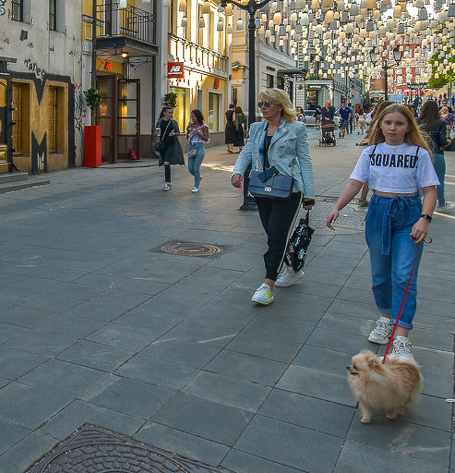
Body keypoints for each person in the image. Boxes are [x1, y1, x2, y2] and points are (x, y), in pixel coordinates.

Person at [326, 104, 439, 365]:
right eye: (387, 123)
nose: (392, 128)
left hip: (408, 213)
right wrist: (337, 207)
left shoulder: (419, 154)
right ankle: (386, 317)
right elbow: (355, 183)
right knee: (379, 274)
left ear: (408, 126)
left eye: (399, 124)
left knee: (403, 274)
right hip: (378, 212)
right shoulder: (371, 152)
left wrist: (425, 218)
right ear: (380, 124)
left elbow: (430, 191)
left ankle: (402, 334)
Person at [230, 89, 315, 305]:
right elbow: (247, 153)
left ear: (279, 106)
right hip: (262, 188)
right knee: (273, 235)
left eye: (267, 104)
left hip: (289, 189)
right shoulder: (257, 128)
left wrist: (310, 194)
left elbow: (304, 161)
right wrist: (237, 172)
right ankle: (292, 268)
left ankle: (267, 285)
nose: (263, 108)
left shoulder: (296, 128)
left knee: (277, 235)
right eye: (261, 104)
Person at [418, 101, 455, 212]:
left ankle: (417, 202)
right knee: (439, 180)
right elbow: (442, 141)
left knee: (418, 179)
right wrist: (449, 142)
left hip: (420, 154)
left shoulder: (417, 122)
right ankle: (441, 204)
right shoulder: (440, 123)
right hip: (436, 153)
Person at [155, 106, 184, 191]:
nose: (171, 114)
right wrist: (156, 132)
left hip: (171, 144)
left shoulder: (173, 122)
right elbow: (156, 132)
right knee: (165, 163)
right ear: (164, 113)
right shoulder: (159, 122)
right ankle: (169, 182)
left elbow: (178, 132)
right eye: (169, 112)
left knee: (166, 162)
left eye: (172, 113)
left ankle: (167, 182)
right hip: (163, 145)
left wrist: (174, 134)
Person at [186, 109, 210, 193]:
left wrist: (199, 133)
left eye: (194, 116)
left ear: (198, 116)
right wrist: (188, 131)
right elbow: (187, 138)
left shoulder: (204, 126)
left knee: (196, 168)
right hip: (192, 147)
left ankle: (196, 186)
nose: (192, 118)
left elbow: (206, 138)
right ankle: (198, 177)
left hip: (199, 146)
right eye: (192, 116)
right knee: (190, 168)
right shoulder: (191, 125)